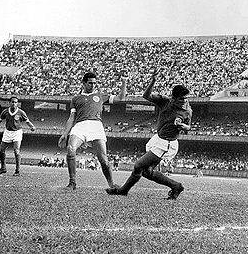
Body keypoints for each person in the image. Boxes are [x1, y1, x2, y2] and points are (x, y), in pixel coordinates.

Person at [106, 68, 192, 200]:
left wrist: (182, 126)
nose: (184, 102)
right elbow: (146, 96)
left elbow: (188, 127)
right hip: (158, 139)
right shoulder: (165, 101)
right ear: (173, 98)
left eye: (186, 99)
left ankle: (123, 190)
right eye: (181, 99)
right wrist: (153, 81)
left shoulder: (187, 111)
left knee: (138, 165)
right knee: (147, 172)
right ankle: (176, 186)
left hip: (167, 143)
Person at [57, 72, 126, 190]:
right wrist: (65, 133)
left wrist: (124, 83)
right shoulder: (75, 99)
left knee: (103, 159)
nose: (93, 85)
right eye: (90, 83)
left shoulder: (100, 96)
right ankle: (72, 182)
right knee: (70, 149)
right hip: (80, 125)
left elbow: (120, 98)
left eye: (94, 83)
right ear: (83, 83)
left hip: (96, 126)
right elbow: (71, 117)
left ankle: (112, 185)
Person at [0, 96, 36, 176]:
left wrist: (32, 127)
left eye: (15, 102)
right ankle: (3, 168)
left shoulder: (21, 112)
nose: (14, 103)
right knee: (1, 150)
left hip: (17, 132)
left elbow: (27, 121)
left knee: (16, 151)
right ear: (10, 103)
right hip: (7, 132)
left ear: (17, 103)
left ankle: (17, 171)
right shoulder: (5, 112)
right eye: (12, 102)